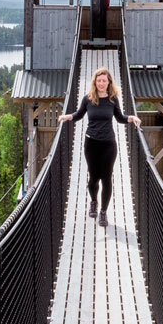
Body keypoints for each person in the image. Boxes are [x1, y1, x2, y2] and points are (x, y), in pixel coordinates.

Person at [59, 67, 140, 228]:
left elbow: (120, 118)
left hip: (109, 144)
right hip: (91, 143)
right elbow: (79, 114)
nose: (101, 83)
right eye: (99, 80)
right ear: (95, 82)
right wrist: (67, 117)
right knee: (94, 178)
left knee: (107, 178)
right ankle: (94, 201)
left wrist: (131, 118)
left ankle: (103, 211)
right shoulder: (88, 99)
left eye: (104, 80)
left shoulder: (113, 99)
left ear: (109, 82)